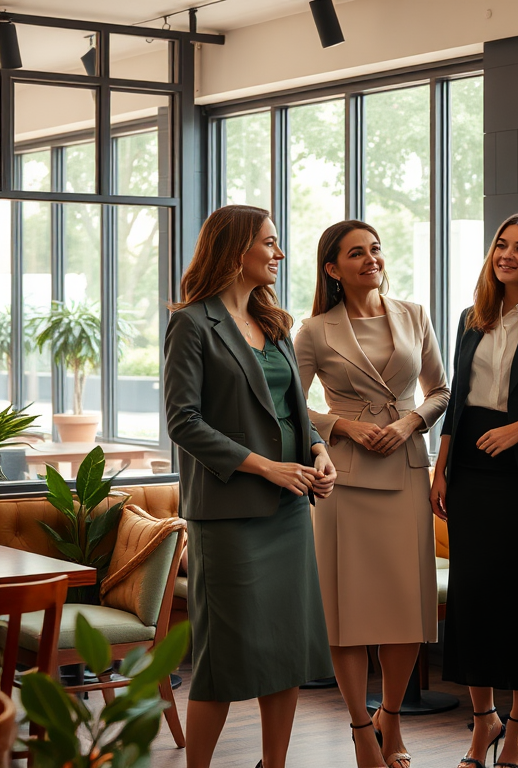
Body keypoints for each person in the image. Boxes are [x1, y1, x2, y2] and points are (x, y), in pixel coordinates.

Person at [164, 204, 336, 768]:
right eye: (270, 243)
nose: (279, 254)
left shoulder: (277, 322)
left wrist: (318, 450)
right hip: (229, 513)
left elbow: (296, 410)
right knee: (223, 658)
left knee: (287, 650)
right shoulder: (193, 322)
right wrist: (268, 467)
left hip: (289, 507)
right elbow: (183, 421)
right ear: (237, 249)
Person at [294, 220, 450, 768]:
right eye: (356, 253)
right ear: (333, 268)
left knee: (404, 608)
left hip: (404, 469)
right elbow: (290, 405)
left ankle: (391, 717)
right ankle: (361, 726)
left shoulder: (414, 315)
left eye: (375, 249)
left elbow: (441, 390)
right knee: (347, 611)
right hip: (343, 481)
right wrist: (342, 426)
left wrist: (409, 425)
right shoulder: (314, 330)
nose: (371, 259)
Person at [431, 213, 518, 768]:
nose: (506, 255)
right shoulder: (472, 317)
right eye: (501, 246)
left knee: (517, 602)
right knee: (470, 597)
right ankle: (483, 719)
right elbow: (457, 400)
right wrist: (442, 468)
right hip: (468, 473)